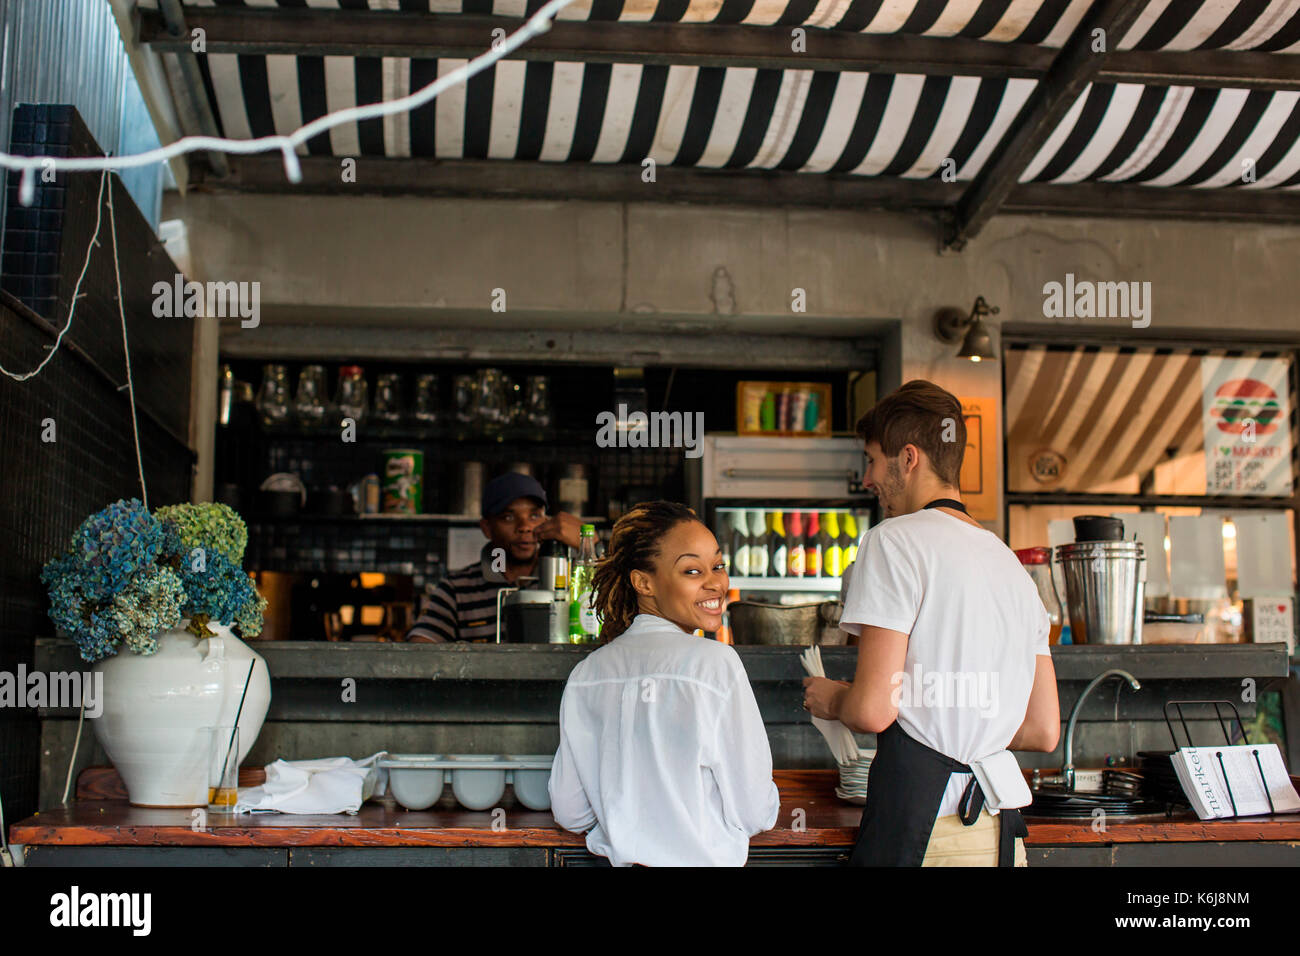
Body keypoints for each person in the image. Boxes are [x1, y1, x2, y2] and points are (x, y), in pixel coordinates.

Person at [801, 380, 1060, 867]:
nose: (868, 478)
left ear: (909, 457)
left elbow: (873, 710)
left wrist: (832, 698)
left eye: (873, 460)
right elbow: (1042, 729)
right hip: (1000, 836)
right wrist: (969, 723)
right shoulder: (1012, 567)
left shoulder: (892, 542)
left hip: (927, 836)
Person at [548, 501, 779, 866]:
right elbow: (752, 812)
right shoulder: (716, 664)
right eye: (691, 570)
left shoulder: (588, 674)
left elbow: (570, 813)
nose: (715, 582)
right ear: (643, 582)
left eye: (717, 565)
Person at [406, 473, 580, 642]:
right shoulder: (457, 589)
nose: (525, 527)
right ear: (487, 528)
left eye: (534, 516)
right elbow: (421, 648)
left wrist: (590, 542)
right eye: (508, 517)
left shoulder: (571, 580)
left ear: (546, 521)